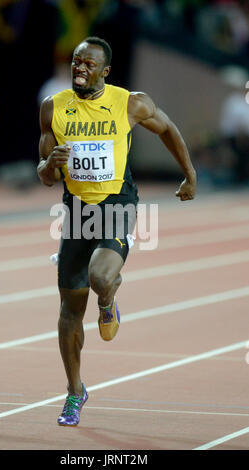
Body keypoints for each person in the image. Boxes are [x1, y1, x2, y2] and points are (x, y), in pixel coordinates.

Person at [37, 37, 196, 427]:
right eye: (76, 62)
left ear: (105, 71)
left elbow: (168, 128)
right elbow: (44, 175)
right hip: (75, 212)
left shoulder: (130, 102)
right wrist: (50, 165)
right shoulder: (53, 108)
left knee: (100, 276)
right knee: (69, 312)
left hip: (116, 205)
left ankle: (107, 297)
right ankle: (75, 392)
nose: (80, 68)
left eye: (88, 64)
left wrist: (189, 174)